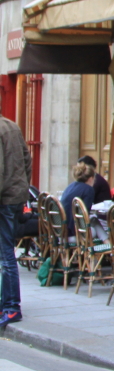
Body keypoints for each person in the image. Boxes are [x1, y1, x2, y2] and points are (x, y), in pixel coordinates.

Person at [0, 114, 32, 330]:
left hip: (4, 199)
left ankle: (11, 306)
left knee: (6, 256)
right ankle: (7, 304)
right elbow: (27, 160)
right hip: (14, 196)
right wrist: (22, 188)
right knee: (6, 254)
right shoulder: (12, 126)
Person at [60, 162, 96, 236]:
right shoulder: (88, 189)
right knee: (94, 230)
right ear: (91, 178)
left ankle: (106, 241)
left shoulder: (70, 186)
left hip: (61, 230)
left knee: (95, 220)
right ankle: (107, 241)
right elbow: (85, 214)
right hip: (74, 231)